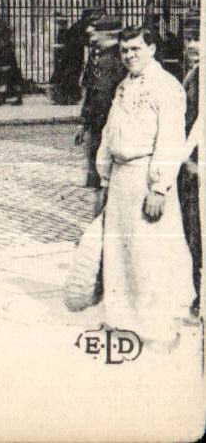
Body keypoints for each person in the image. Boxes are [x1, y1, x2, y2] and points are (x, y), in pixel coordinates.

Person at [96, 24, 193, 345]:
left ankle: (157, 328)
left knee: (150, 255)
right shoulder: (124, 85)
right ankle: (123, 319)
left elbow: (171, 139)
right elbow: (110, 133)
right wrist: (105, 178)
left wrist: (159, 187)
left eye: (136, 49)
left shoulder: (166, 86)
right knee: (120, 253)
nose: (129, 56)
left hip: (145, 178)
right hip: (122, 180)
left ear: (151, 49)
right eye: (124, 50)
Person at [79, 16, 124, 188]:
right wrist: (83, 122)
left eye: (98, 32)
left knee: (106, 174)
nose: (93, 36)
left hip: (109, 122)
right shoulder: (97, 56)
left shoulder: (119, 61)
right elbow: (91, 92)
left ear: (110, 35)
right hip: (96, 122)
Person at [178, 36, 201, 316]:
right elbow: (185, 123)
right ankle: (199, 296)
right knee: (195, 237)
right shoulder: (192, 79)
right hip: (194, 170)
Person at [51, 10, 91, 105]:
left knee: (70, 76)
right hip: (73, 55)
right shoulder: (82, 25)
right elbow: (84, 40)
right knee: (72, 76)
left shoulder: (79, 25)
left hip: (73, 54)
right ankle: (68, 98)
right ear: (88, 17)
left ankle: (66, 98)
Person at [0, 15, 23, 106]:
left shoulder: (2, 34)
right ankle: (7, 97)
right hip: (4, 58)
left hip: (4, 58)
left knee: (6, 78)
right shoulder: (2, 33)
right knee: (8, 78)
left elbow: (3, 44)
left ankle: (3, 97)